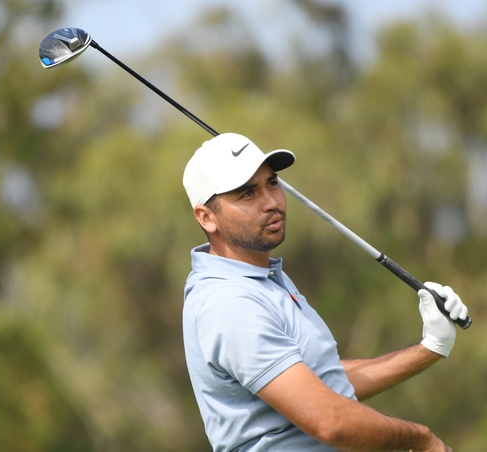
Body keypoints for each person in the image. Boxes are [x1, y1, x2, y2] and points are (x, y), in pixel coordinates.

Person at [181, 133, 469, 452]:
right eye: (248, 193)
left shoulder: (262, 278)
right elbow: (330, 421)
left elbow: (321, 383)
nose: (272, 203)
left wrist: (430, 347)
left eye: (272, 183)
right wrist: (421, 439)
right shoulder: (228, 301)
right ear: (206, 217)